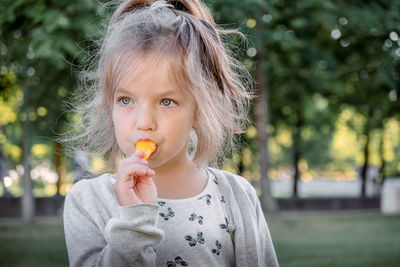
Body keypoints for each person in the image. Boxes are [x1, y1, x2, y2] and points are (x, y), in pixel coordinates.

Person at [62, 0, 279, 266]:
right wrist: (134, 222)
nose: (144, 123)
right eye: (126, 100)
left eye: (166, 102)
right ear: (109, 104)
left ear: (200, 108)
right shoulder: (88, 201)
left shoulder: (236, 196)